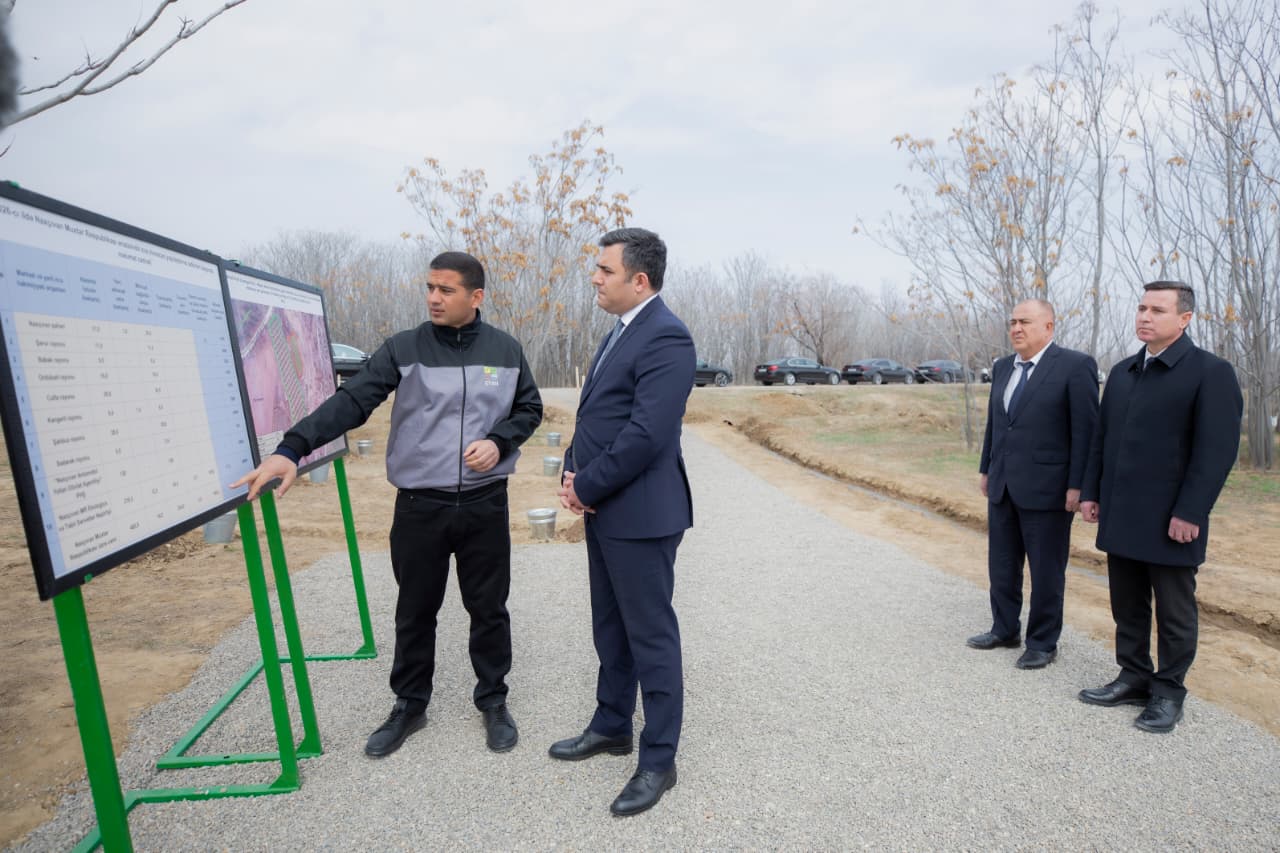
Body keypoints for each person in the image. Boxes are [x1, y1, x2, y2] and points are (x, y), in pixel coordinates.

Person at [233, 251, 542, 756]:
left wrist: (499, 441)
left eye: (445, 290)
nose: (433, 298)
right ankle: (410, 705)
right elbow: (353, 401)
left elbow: (529, 407)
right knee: (415, 610)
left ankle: (493, 700)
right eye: (430, 288)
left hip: (485, 503)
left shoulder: (505, 349)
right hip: (420, 506)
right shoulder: (405, 347)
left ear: (476, 296)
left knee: (488, 609)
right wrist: (292, 448)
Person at [551, 227, 694, 817]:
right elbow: (597, 415)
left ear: (639, 279)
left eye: (605, 270)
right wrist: (572, 468)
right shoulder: (619, 331)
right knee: (610, 627)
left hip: (642, 513)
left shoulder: (667, 336)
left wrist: (586, 484)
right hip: (606, 507)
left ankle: (659, 760)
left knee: (650, 637)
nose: (595, 277)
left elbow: (646, 434)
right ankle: (612, 725)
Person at [1078, 281, 1241, 733]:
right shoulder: (1124, 371)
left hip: (1172, 518)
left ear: (1185, 319)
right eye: (1141, 308)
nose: (1145, 317)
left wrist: (1191, 511)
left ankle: (1168, 692)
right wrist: (1091, 492)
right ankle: (1133, 676)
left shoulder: (1211, 372)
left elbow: (1216, 452)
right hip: (1121, 512)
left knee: (1174, 613)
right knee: (1127, 605)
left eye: (1157, 310)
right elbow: (1101, 440)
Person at [969, 300, 1099, 669]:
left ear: (1049, 327)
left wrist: (1079, 485)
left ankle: (1042, 642)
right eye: (1012, 322)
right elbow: (997, 424)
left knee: (1046, 571)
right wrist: (986, 468)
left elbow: (1086, 431)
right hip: (1003, 484)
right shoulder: (1002, 367)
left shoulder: (1075, 366)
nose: (1016, 328)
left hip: (1049, 489)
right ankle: (1004, 628)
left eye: (1025, 321)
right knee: (1002, 565)